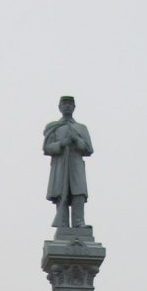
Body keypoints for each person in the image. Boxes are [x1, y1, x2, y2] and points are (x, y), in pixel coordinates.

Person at [43, 95, 93, 228]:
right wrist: (61, 144)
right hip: (60, 165)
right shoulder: (54, 127)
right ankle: (63, 224)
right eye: (64, 103)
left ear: (74, 107)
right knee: (62, 193)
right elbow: (47, 147)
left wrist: (77, 140)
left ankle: (78, 222)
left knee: (78, 193)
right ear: (59, 107)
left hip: (76, 165)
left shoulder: (81, 128)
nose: (67, 106)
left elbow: (89, 149)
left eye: (70, 104)